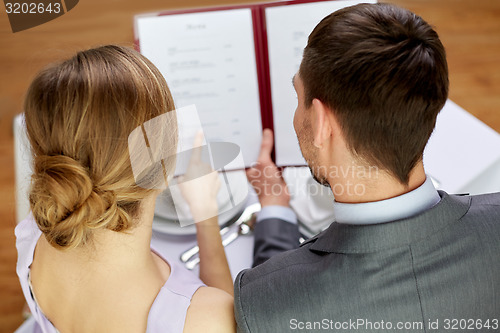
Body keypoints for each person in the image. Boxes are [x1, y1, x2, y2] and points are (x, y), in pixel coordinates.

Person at [237, 3, 500, 332]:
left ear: (320, 121)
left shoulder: (262, 305)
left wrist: (274, 213)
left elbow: (281, 301)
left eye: (298, 96)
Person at [16, 45, 235, 332]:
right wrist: (206, 216)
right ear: (164, 170)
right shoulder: (203, 318)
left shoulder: (31, 235)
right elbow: (227, 312)